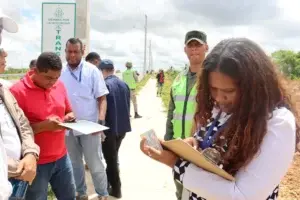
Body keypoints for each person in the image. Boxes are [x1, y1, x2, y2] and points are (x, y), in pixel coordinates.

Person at [141, 38, 298, 199]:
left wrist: (175, 163)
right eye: (213, 89)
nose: (219, 98)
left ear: (254, 87)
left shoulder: (278, 122)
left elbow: (244, 196)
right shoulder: (220, 110)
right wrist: (192, 147)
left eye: (228, 91)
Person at [10, 52, 76, 200]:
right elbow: (13, 132)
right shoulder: (16, 92)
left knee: (69, 197)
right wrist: (43, 126)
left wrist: (69, 117)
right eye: (48, 78)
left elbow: (68, 110)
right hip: (36, 162)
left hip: (62, 158)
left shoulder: (59, 86)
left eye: (56, 78)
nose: (53, 82)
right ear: (36, 70)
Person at [60, 38, 109, 200]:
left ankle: (102, 193)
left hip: (90, 126)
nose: (72, 55)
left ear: (82, 52)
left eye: (76, 51)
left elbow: (102, 98)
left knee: (94, 163)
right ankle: (81, 193)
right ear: (65, 51)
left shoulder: (92, 71)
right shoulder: (60, 72)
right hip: (68, 127)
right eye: (69, 51)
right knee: (74, 164)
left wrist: (100, 121)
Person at [164, 30, 208, 200]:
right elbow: (171, 112)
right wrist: (168, 142)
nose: (194, 49)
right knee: (180, 190)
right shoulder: (178, 79)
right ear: (185, 49)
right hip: (178, 145)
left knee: (200, 193)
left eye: (198, 45)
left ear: (206, 47)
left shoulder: (212, 78)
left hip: (201, 148)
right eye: (191, 45)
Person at [1, 13, 40, 200]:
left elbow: (23, 124)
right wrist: (19, 167)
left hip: (15, 183)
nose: (5, 53)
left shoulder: (4, 89)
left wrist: (31, 154)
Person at [98, 59, 131, 199]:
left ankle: (116, 190)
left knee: (110, 160)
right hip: (122, 128)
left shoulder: (105, 85)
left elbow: (102, 109)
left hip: (109, 129)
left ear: (103, 71)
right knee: (113, 157)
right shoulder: (124, 84)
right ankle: (108, 184)